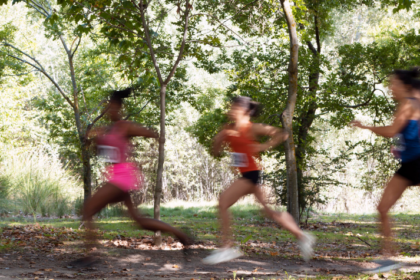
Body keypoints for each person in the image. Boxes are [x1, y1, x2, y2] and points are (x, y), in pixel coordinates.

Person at [71, 88, 192, 267]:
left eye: (112, 106)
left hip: (122, 178)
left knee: (87, 210)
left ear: (118, 108)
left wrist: (144, 140)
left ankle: (90, 256)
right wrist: (93, 140)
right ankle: (182, 235)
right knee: (138, 220)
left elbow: (152, 133)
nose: (109, 110)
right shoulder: (105, 130)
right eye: (107, 107)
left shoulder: (124, 126)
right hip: (117, 177)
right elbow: (103, 153)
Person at [202, 96, 315, 264]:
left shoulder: (253, 128)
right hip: (248, 174)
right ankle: (302, 236)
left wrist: (263, 146)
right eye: (231, 107)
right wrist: (218, 141)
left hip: (251, 174)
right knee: (268, 211)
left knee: (223, 202)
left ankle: (227, 247)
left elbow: (281, 133)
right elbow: (216, 150)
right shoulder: (229, 129)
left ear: (245, 111)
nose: (231, 111)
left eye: (235, 108)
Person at [351, 69, 420, 273]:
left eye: (394, 83)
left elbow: (392, 130)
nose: (390, 88)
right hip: (411, 163)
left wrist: (366, 127)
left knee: (382, 208)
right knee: (383, 208)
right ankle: (388, 257)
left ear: (405, 86)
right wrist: (402, 147)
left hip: (416, 163)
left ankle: (389, 258)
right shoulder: (413, 103)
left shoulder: (408, 104)